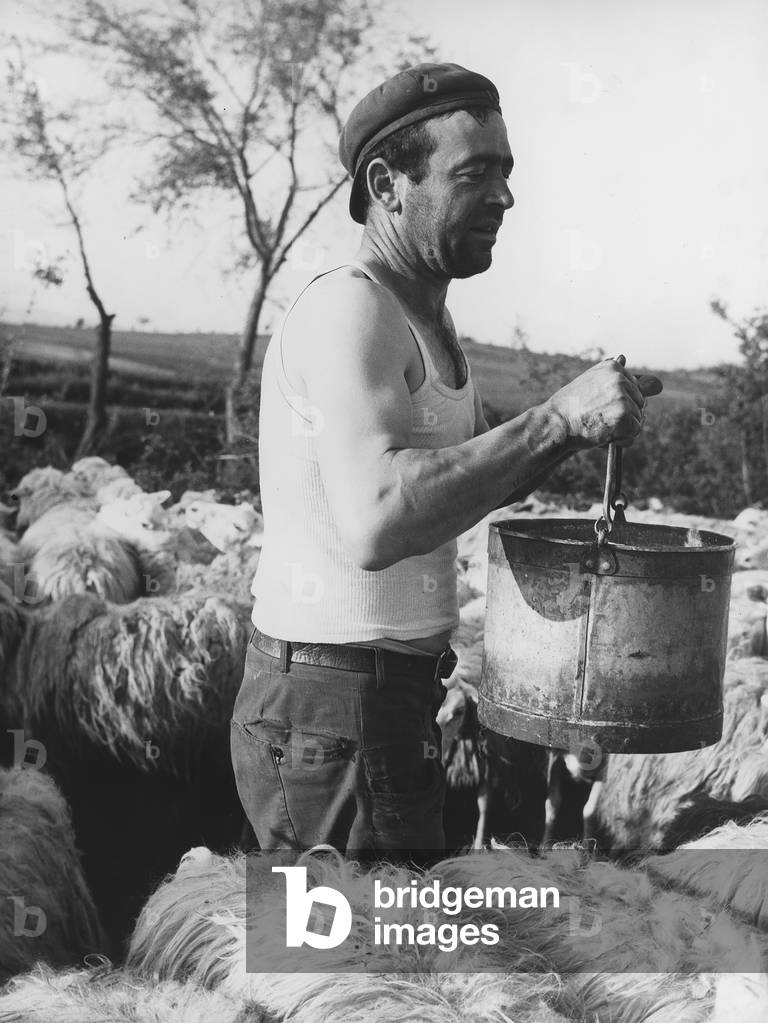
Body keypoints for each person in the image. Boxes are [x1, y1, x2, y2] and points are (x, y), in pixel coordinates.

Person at [230, 62, 662, 859]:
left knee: (407, 966)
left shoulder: (429, 315)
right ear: (388, 183)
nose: (504, 197)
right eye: (475, 173)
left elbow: (456, 486)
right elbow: (379, 519)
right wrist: (558, 415)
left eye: (506, 171)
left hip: (389, 702)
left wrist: (575, 431)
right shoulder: (350, 308)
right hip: (332, 709)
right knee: (361, 971)